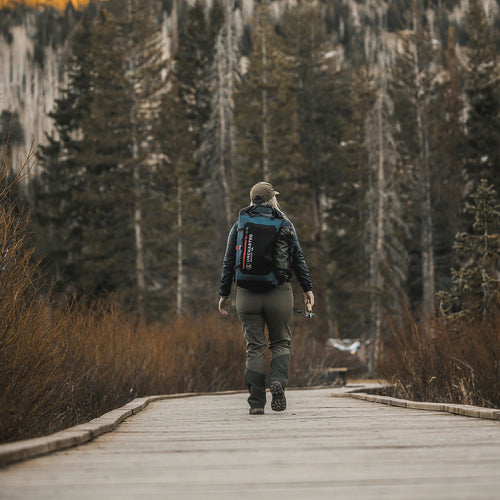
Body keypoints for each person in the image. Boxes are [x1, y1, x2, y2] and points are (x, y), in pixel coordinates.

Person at [218, 182, 314, 415]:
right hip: (278, 293)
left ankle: (256, 403)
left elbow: (229, 261)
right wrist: (307, 289)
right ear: (272, 200)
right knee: (281, 342)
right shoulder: (285, 223)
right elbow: (297, 259)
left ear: (252, 199)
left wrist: (224, 294)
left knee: (255, 347)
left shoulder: (240, 225)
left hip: (247, 294)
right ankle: (278, 381)